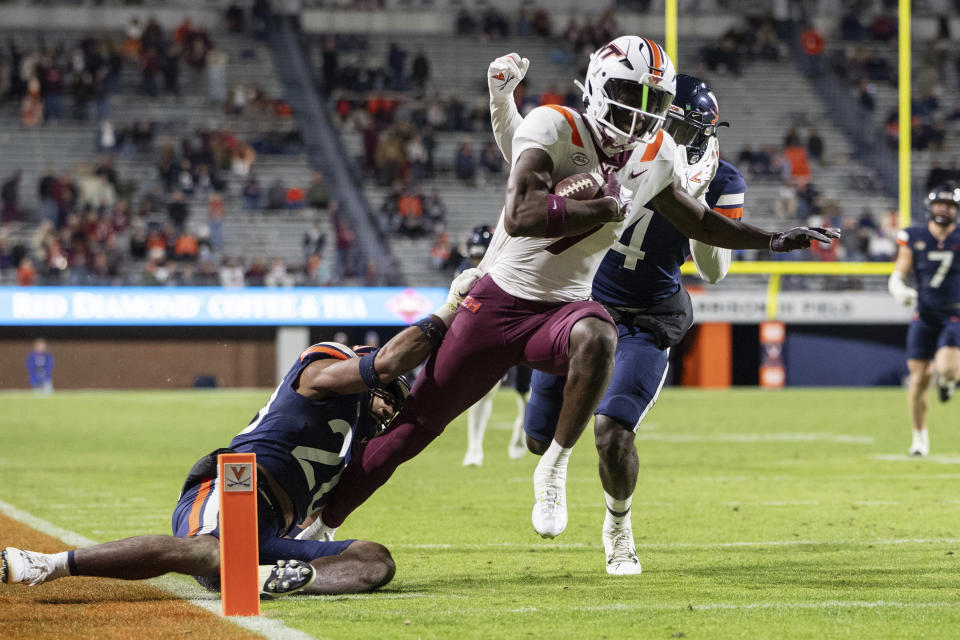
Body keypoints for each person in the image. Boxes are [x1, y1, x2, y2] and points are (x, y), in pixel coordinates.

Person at [304, 37, 837, 546]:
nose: (638, 112)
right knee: (416, 426)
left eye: (652, 102)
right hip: (498, 302)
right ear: (602, 86)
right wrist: (598, 207)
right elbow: (521, 214)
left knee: (599, 334)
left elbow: (699, 220)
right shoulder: (553, 125)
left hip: (561, 312)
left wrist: (772, 239)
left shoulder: (657, 154)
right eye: (630, 95)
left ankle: (553, 469)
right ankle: (321, 522)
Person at [2, 270, 482, 593]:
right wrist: (451, 308)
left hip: (269, 534)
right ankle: (52, 564)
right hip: (237, 482)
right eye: (387, 397)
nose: (386, 409)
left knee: (376, 560)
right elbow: (391, 362)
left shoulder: (352, 439)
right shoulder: (323, 366)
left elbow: (388, 454)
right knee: (209, 550)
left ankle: (268, 579)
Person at [494, 68, 747, 574]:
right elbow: (527, 164)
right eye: (663, 123)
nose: (667, 137)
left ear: (705, 135)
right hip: (582, 305)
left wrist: (700, 218)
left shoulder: (722, 181)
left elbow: (714, 273)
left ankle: (618, 528)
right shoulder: (611, 149)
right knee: (538, 439)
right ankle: (556, 471)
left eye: (683, 130)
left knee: (611, 432)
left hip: (648, 317)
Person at [888, 186, 960, 457]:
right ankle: (920, 439)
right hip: (925, 313)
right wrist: (898, 288)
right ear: (930, 207)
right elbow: (900, 270)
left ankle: (948, 382)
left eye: (949, 205)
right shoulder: (915, 236)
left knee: (948, 370)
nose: (944, 209)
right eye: (940, 204)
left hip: (955, 313)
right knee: (918, 379)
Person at [460, 225, 530, 466]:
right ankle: (474, 448)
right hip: (492, 332)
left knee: (526, 391)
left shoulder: (512, 263)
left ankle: (520, 435)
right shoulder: (467, 272)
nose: (479, 260)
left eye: (482, 254)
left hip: (523, 328)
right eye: (475, 255)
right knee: (484, 390)